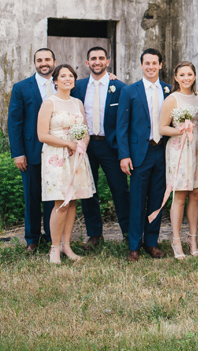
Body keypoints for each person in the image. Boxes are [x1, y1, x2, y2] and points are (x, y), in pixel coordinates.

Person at [37, 64, 95, 264]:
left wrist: (81, 145)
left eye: (71, 76)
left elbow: (85, 131)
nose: (67, 78)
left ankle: (66, 246)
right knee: (60, 203)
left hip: (76, 156)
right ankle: (54, 248)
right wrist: (68, 143)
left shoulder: (78, 103)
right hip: (56, 157)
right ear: (55, 81)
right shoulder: (49, 103)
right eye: (63, 76)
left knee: (72, 202)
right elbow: (42, 135)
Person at [72, 46, 129, 250]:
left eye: (101, 58)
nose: (97, 61)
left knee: (120, 189)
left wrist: (124, 151)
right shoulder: (77, 87)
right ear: (87, 63)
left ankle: (128, 233)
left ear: (107, 62)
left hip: (110, 145)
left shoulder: (120, 87)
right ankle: (95, 234)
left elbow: (125, 121)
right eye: (93, 58)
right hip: (85, 146)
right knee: (88, 191)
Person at [117, 49, 170, 263]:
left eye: (154, 63)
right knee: (137, 201)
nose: (150, 66)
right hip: (140, 153)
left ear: (160, 65)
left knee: (157, 200)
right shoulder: (130, 91)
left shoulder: (168, 90)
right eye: (146, 63)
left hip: (162, 151)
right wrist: (124, 155)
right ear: (141, 65)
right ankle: (133, 246)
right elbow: (122, 126)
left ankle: (151, 242)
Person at [158, 61, 198, 260]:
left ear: (194, 76)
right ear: (176, 77)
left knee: (196, 193)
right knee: (180, 194)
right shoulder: (172, 99)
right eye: (182, 75)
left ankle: (193, 239)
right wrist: (179, 130)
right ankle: (176, 240)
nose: (186, 78)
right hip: (179, 148)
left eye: (190, 74)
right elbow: (162, 128)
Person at [8, 48, 57, 253]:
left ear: (54, 61)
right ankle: (32, 239)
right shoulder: (21, 87)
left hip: (57, 152)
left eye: (47, 59)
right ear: (35, 63)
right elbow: (15, 121)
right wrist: (18, 153)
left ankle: (52, 235)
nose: (43, 63)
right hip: (31, 151)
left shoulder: (63, 82)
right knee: (32, 196)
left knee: (54, 196)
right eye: (39, 60)